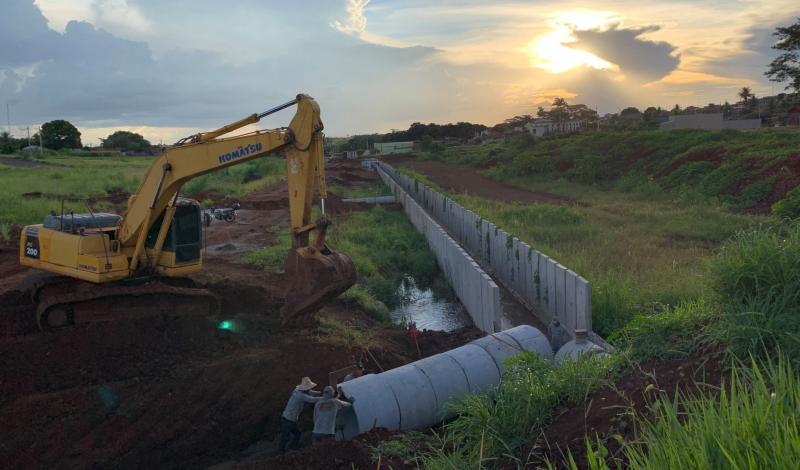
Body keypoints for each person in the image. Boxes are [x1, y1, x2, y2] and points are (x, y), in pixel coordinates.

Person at [279, 377, 322, 454]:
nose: (309, 389)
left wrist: (318, 393)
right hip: (288, 420)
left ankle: (293, 447)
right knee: (285, 437)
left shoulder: (297, 391)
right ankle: (281, 452)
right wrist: (325, 398)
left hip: (290, 419)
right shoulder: (301, 396)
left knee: (298, 434)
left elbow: (309, 392)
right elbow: (312, 399)